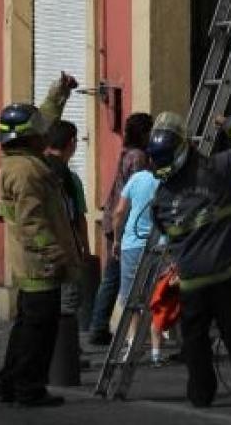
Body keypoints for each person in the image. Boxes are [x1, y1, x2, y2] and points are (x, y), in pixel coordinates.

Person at [147, 111, 231, 408]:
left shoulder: (161, 198)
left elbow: (165, 232)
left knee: (195, 342)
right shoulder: (219, 169)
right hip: (225, 275)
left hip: (191, 283)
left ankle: (200, 395)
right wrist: (230, 123)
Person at [0, 72, 83, 410]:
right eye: (38, 132)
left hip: (31, 262)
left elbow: (43, 118)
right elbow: (32, 221)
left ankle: (10, 383)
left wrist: (59, 93)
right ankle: (29, 389)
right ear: (30, 137)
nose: (45, 134)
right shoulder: (27, 171)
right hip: (39, 263)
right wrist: (55, 253)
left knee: (25, 327)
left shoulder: (20, 161)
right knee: (38, 332)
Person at [88, 111, 153, 346]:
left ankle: (98, 325)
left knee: (112, 277)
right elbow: (139, 192)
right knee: (116, 277)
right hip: (124, 223)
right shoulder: (138, 157)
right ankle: (100, 326)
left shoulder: (127, 153)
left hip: (115, 218)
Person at [110, 163, 165, 365]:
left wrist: (116, 239)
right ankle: (156, 351)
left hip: (132, 243)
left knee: (130, 297)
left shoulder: (137, 179)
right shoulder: (167, 180)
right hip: (160, 244)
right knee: (157, 296)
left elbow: (119, 212)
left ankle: (133, 344)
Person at [44, 119, 90, 317]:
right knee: (68, 305)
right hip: (65, 249)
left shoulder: (37, 170)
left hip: (39, 251)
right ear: (71, 143)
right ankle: (66, 346)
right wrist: (85, 250)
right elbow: (78, 218)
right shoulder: (71, 179)